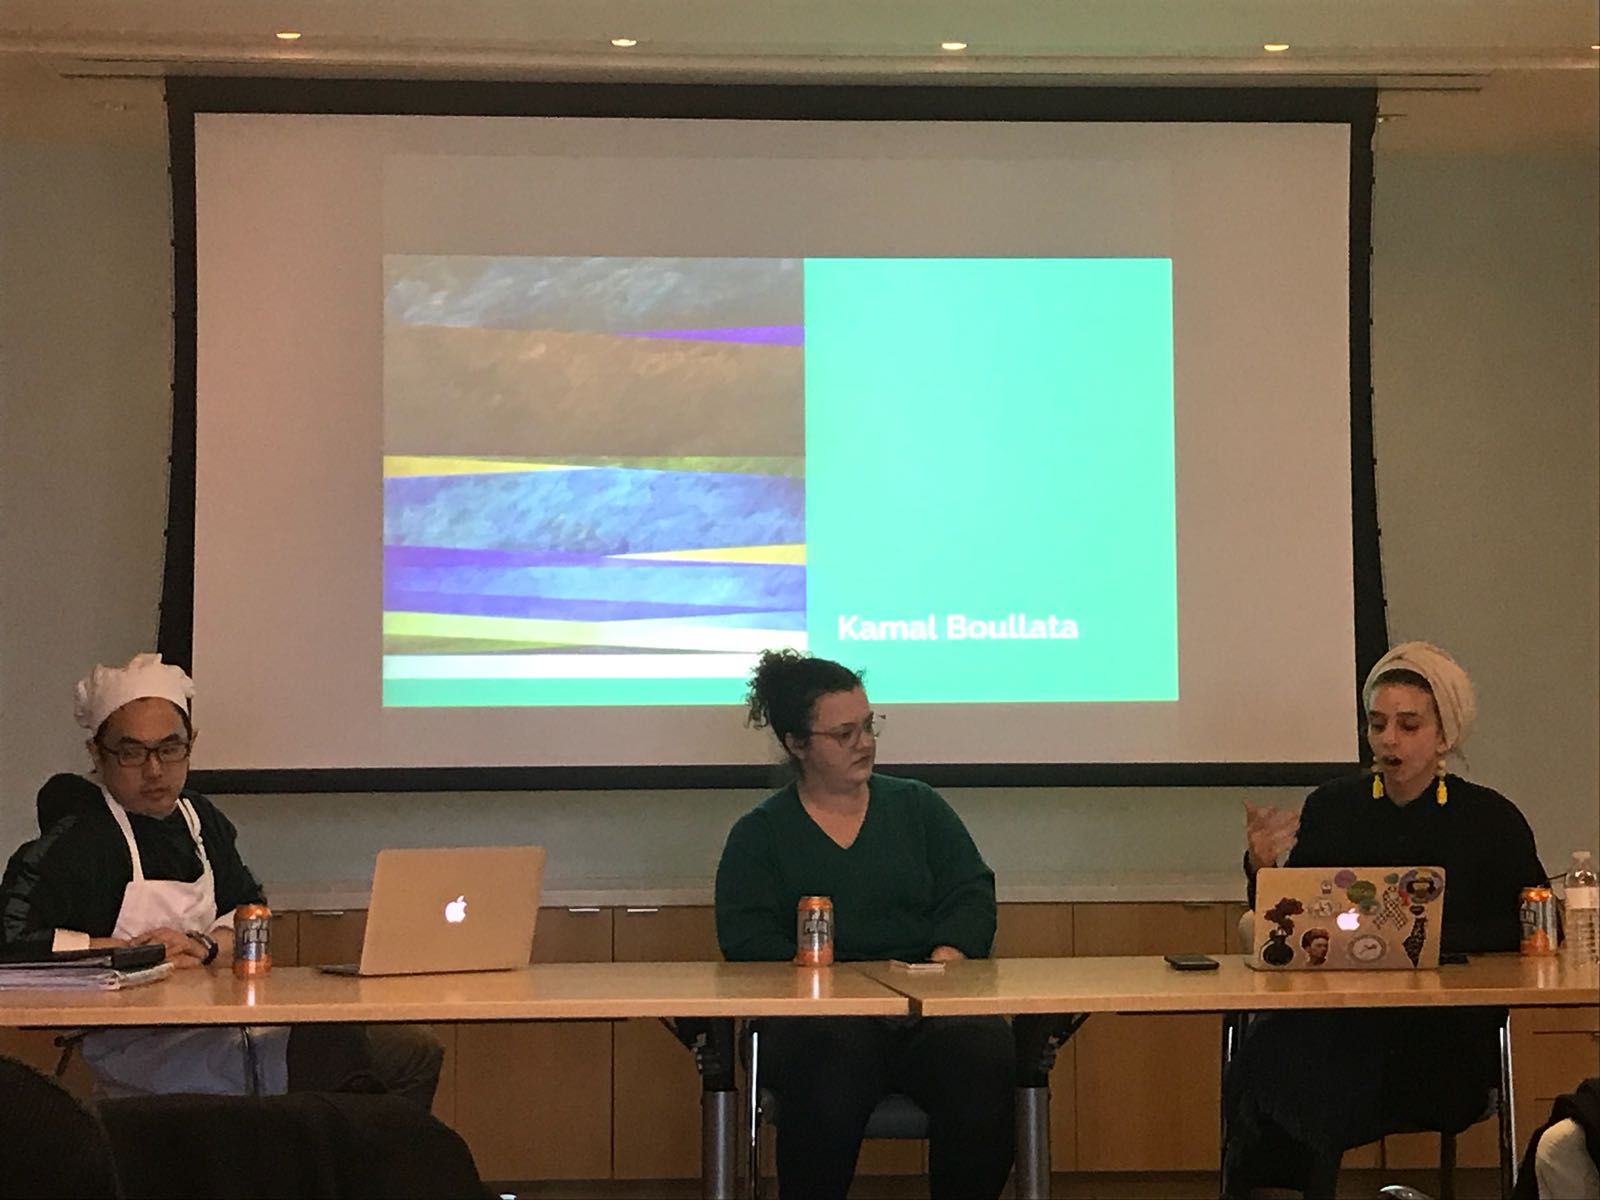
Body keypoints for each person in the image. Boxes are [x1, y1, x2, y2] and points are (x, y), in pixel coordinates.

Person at [0, 653, 442, 1106]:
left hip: (228, 1022)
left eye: (170, 749)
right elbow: (13, 940)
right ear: (98, 753)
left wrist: (208, 945)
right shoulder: (78, 839)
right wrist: (127, 954)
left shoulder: (201, 821)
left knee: (412, 1051)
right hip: (144, 1049)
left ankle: (362, 1174)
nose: (154, 770)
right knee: (341, 1055)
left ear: (191, 743)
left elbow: (253, 915)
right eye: (132, 752)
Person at [1225, 641, 1549, 1199]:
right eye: (1377, 725)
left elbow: (1535, 925)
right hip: (1341, 1021)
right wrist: (1264, 867)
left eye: (1408, 725)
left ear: (1444, 735)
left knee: (1290, 1072)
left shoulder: (1491, 819)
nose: (1388, 740)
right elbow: (1295, 922)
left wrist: (1429, 939)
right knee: (1269, 1052)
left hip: (1442, 1037)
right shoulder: (1333, 807)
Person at [714, 650, 1015, 1200]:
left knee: (984, 1055)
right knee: (831, 1065)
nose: (865, 743)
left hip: (924, 1010)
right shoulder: (759, 834)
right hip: (817, 1019)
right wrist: (823, 981)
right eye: (844, 733)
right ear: (796, 743)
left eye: (869, 726)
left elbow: (970, 894)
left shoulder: (918, 807)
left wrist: (950, 954)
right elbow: (746, 940)